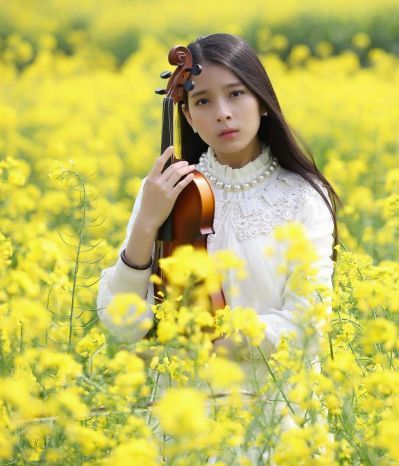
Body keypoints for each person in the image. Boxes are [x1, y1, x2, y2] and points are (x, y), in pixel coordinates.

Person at [95, 33, 338, 454]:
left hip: (276, 420)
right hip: (183, 427)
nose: (223, 113)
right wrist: (146, 225)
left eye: (236, 94)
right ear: (186, 115)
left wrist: (218, 344)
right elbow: (121, 324)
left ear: (262, 100)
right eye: (203, 101)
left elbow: (308, 322)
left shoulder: (303, 196)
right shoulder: (165, 192)